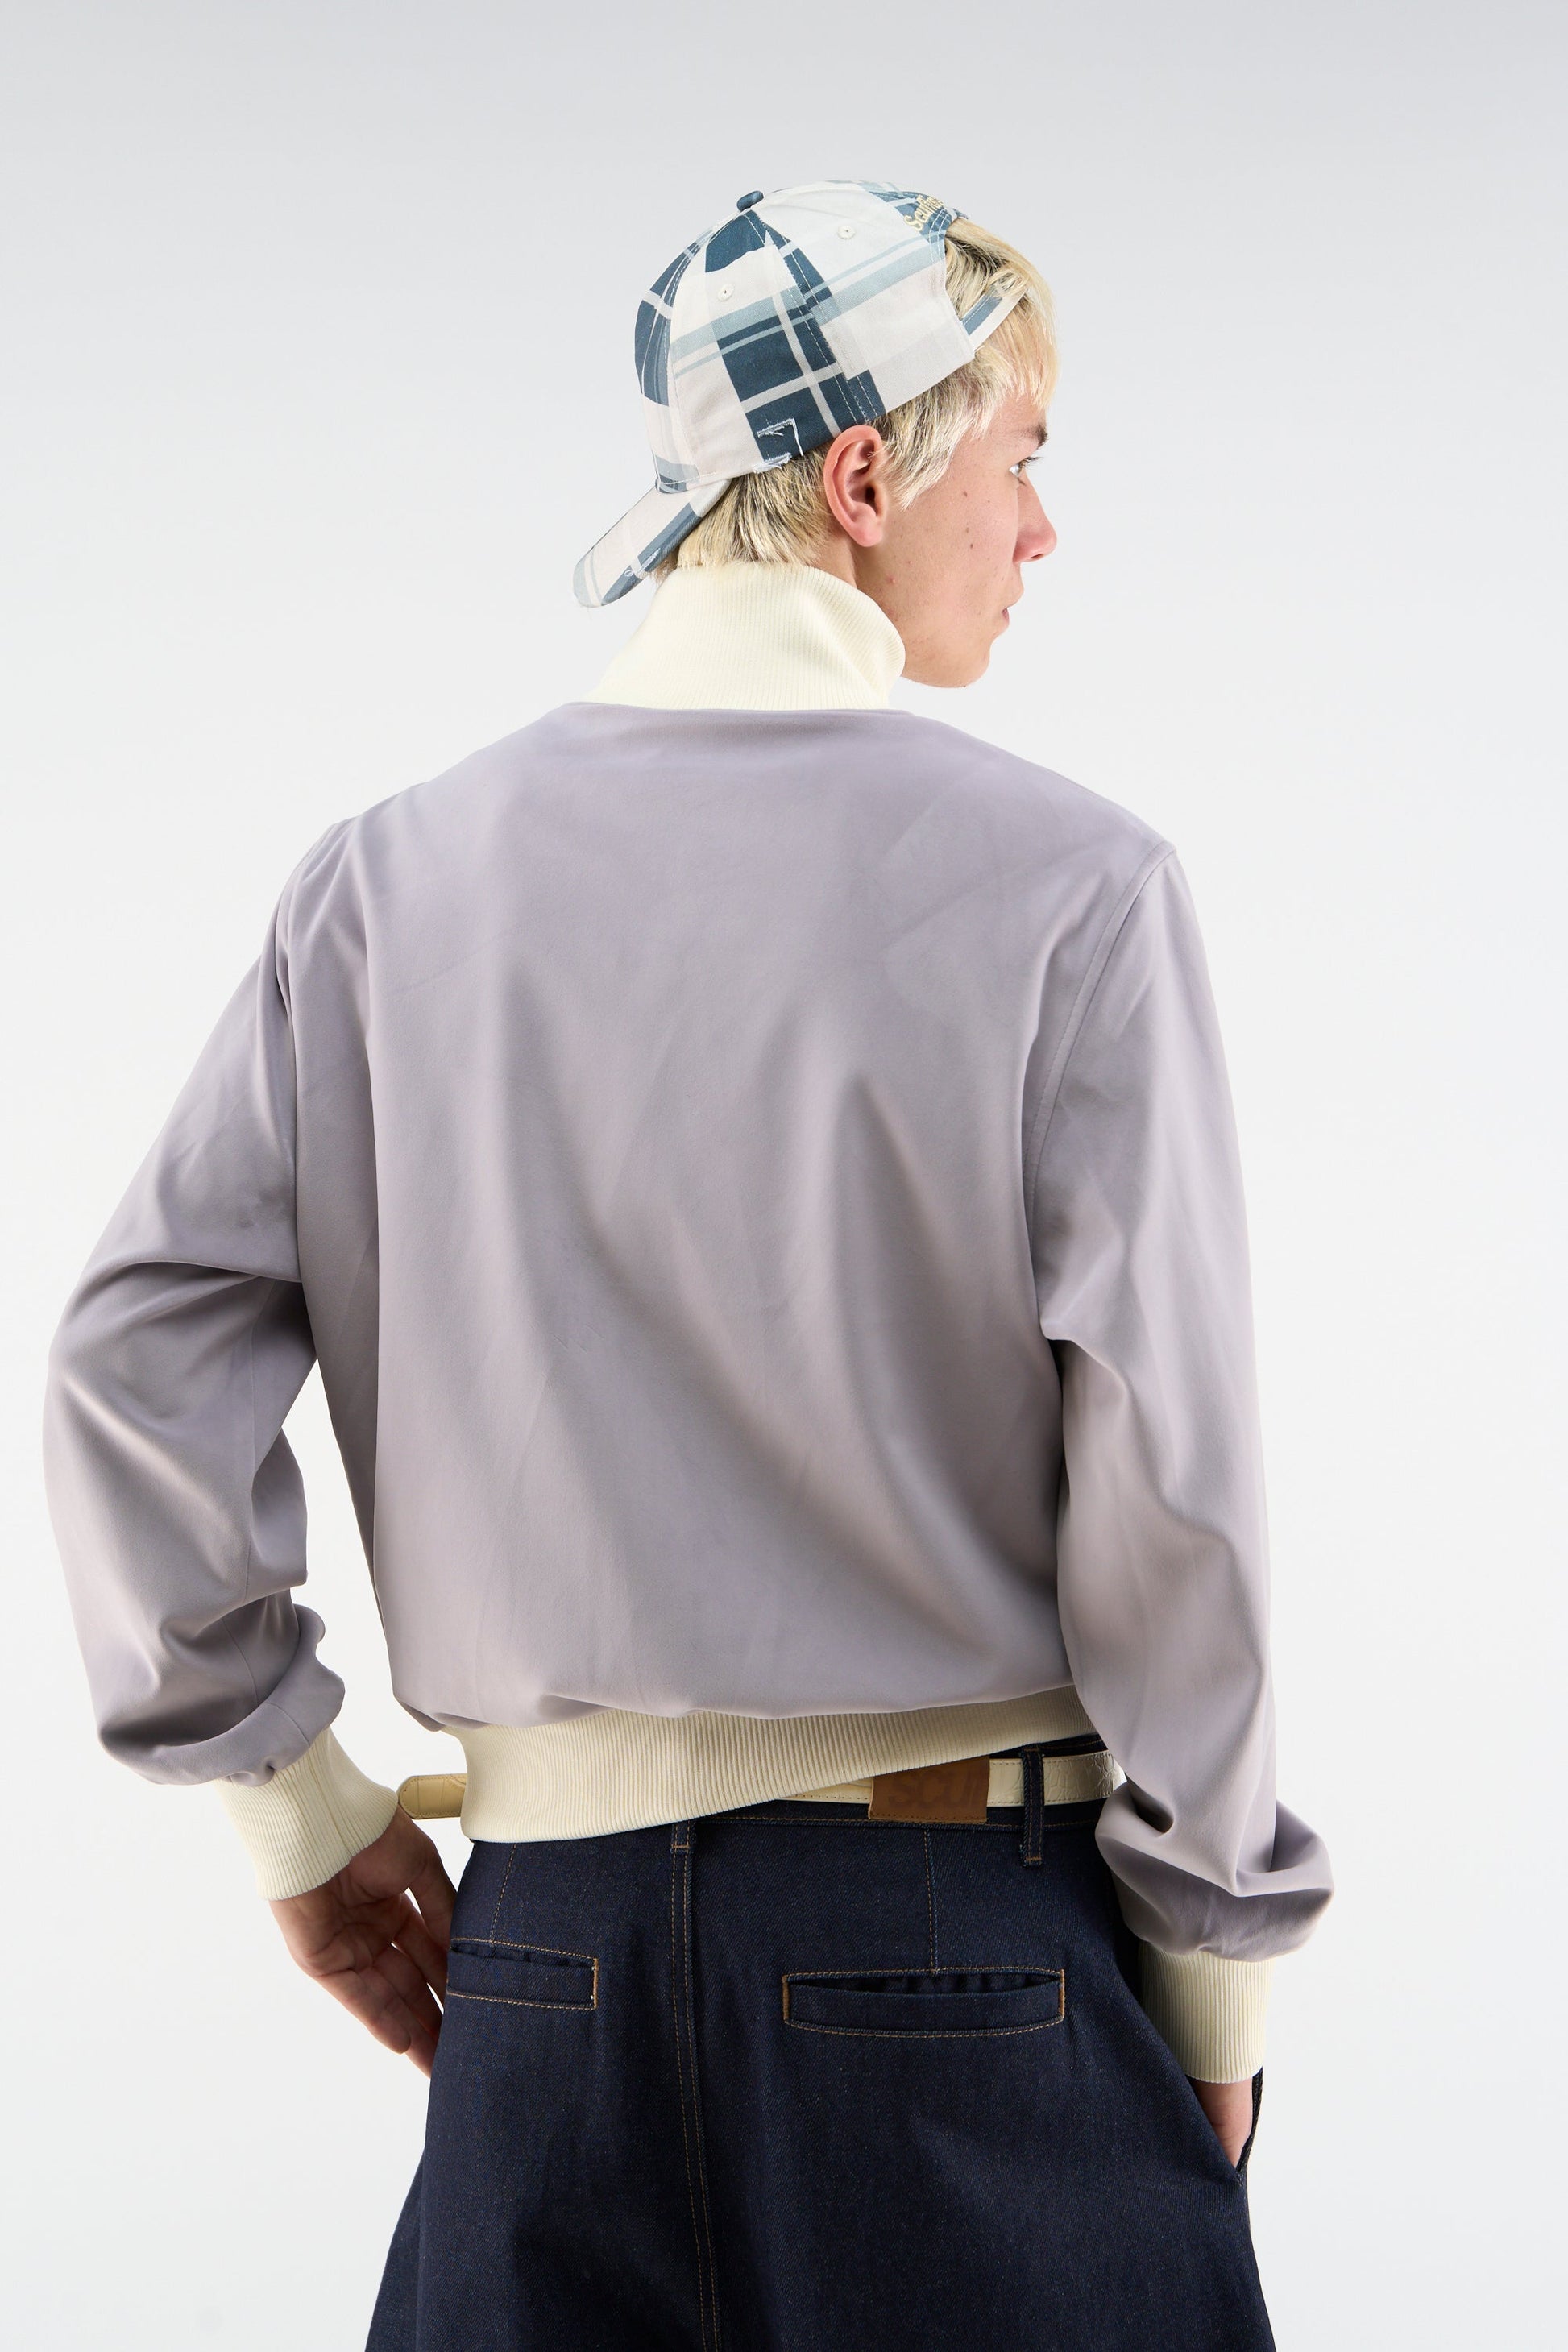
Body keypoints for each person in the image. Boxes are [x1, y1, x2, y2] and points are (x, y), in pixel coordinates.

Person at [44, 180, 1334, 2350]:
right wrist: (1214, 1964)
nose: (1040, 531)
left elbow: (130, 1362)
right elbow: (1172, 1486)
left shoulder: (385, 886)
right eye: (1022, 460)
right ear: (864, 477)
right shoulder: (1073, 890)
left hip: (539, 1975)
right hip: (969, 1963)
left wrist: (300, 1813)